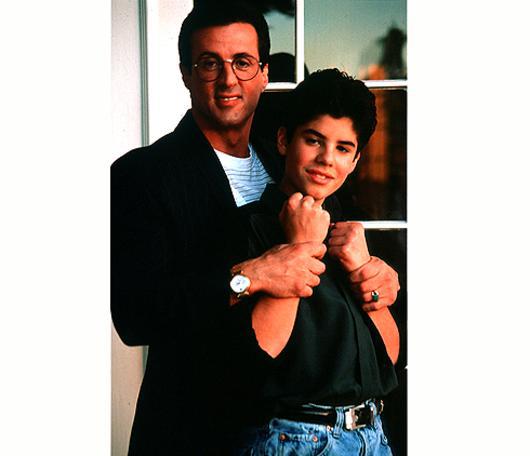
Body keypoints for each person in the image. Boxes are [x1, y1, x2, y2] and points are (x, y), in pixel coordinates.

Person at [111, 3, 400, 454]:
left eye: (243, 62)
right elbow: (135, 317)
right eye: (210, 63)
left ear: (264, 73)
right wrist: (250, 277)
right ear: (186, 74)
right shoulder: (143, 174)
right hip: (197, 429)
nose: (228, 80)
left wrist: (374, 277)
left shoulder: (294, 162)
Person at [227, 69, 399, 455]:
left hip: (371, 437)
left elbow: (387, 357)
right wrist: (299, 246)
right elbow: (257, 357)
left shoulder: (347, 235)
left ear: (355, 160)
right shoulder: (248, 228)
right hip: (295, 439)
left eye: (343, 148)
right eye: (313, 140)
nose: (326, 159)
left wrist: (362, 268)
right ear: (284, 140)